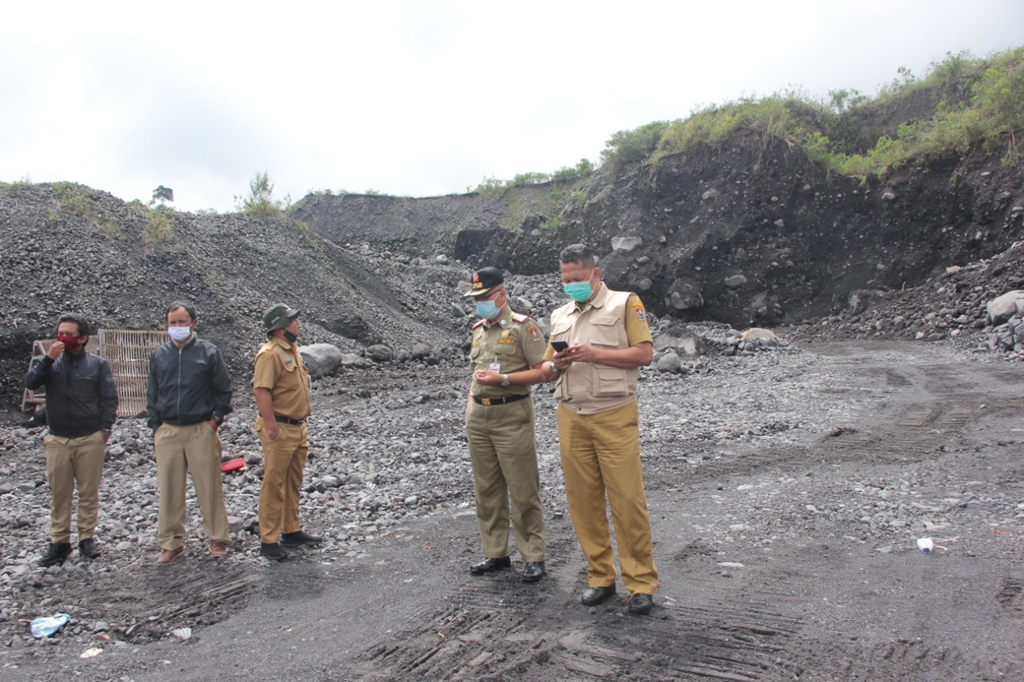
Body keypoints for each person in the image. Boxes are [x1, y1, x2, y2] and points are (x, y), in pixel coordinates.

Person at [477, 244, 658, 615]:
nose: (570, 284)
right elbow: (544, 371)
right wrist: (556, 364)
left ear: (595, 273)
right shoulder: (560, 315)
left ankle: (640, 582)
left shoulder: (624, 304)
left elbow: (644, 354)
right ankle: (599, 577)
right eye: (565, 279)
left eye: (576, 278)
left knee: (626, 500)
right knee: (583, 501)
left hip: (613, 412)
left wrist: (594, 354)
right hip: (571, 416)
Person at [463, 267, 548, 583]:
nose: (481, 303)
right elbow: (475, 373)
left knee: (523, 488)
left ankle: (533, 556)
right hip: (480, 417)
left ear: (502, 294)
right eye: (477, 298)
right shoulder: (478, 330)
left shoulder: (524, 328)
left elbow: (543, 372)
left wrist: (505, 379)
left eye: (485, 297)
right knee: (487, 488)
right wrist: (470, 404)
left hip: (512, 414)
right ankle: (495, 552)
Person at [24, 314, 118, 567]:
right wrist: (48, 359)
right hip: (58, 438)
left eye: (68, 334)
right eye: (60, 333)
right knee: (59, 493)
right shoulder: (51, 364)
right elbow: (30, 382)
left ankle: (86, 537)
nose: (62, 338)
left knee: (88, 492)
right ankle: (59, 542)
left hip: (89, 438)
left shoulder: (97, 365)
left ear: (83, 338)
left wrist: (104, 431)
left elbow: (109, 399)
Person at [146, 302, 234, 565]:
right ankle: (171, 543)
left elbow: (225, 389)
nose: (177, 327)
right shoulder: (159, 355)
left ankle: (217, 538)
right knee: (169, 489)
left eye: (182, 322)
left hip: (200, 430)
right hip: (168, 431)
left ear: (194, 323)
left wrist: (215, 421)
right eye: (172, 323)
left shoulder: (208, 353)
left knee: (209, 486)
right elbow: (152, 392)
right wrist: (156, 426)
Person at [253, 304, 321, 561]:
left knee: (293, 481)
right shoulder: (269, 355)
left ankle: (291, 529)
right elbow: (261, 391)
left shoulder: (291, 350)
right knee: (274, 484)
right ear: (281, 327)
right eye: (293, 321)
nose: (298, 324)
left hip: (297, 427)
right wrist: (271, 426)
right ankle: (268, 540)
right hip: (279, 428)